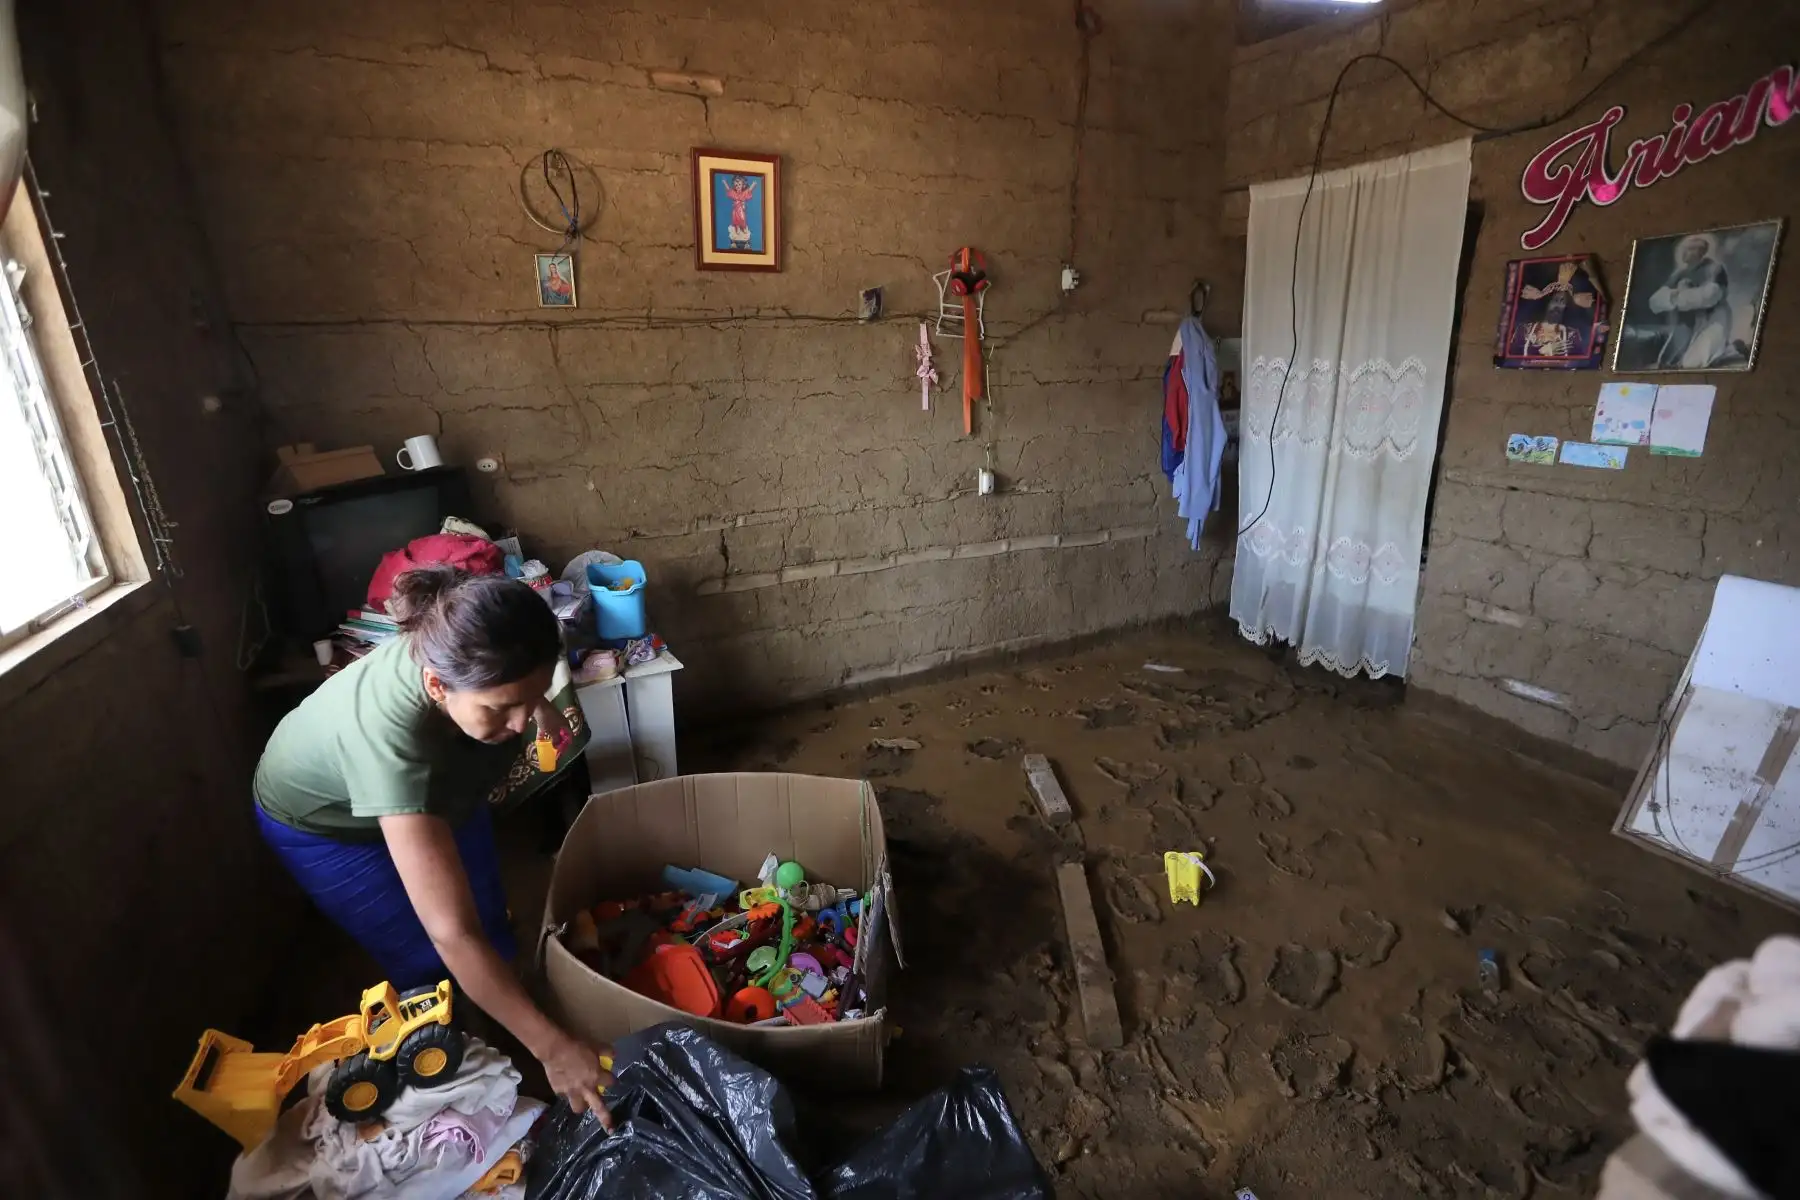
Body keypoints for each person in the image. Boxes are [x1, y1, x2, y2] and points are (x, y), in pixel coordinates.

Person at [254, 566, 612, 1120]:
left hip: (439, 786)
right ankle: (471, 1076)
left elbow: (516, 688)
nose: (520, 725)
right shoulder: (389, 743)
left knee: (489, 915)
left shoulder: (471, 653)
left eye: (532, 695)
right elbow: (452, 932)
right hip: (327, 825)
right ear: (436, 686)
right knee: (430, 954)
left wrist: (535, 703)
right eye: (499, 709)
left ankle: (506, 1011)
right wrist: (554, 1049)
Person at [1647, 234, 1735, 369]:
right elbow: (1655, 301)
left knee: (1693, 363)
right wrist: (1677, 296)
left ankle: (1731, 349)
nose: (1684, 253)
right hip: (1687, 322)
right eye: (1684, 249)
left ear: (1698, 252)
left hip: (1712, 320)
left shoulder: (1714, 268)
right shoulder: (1679, 273)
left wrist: (1677, 296)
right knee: (1667, 361)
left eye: (1688, 249)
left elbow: (1710, 297)